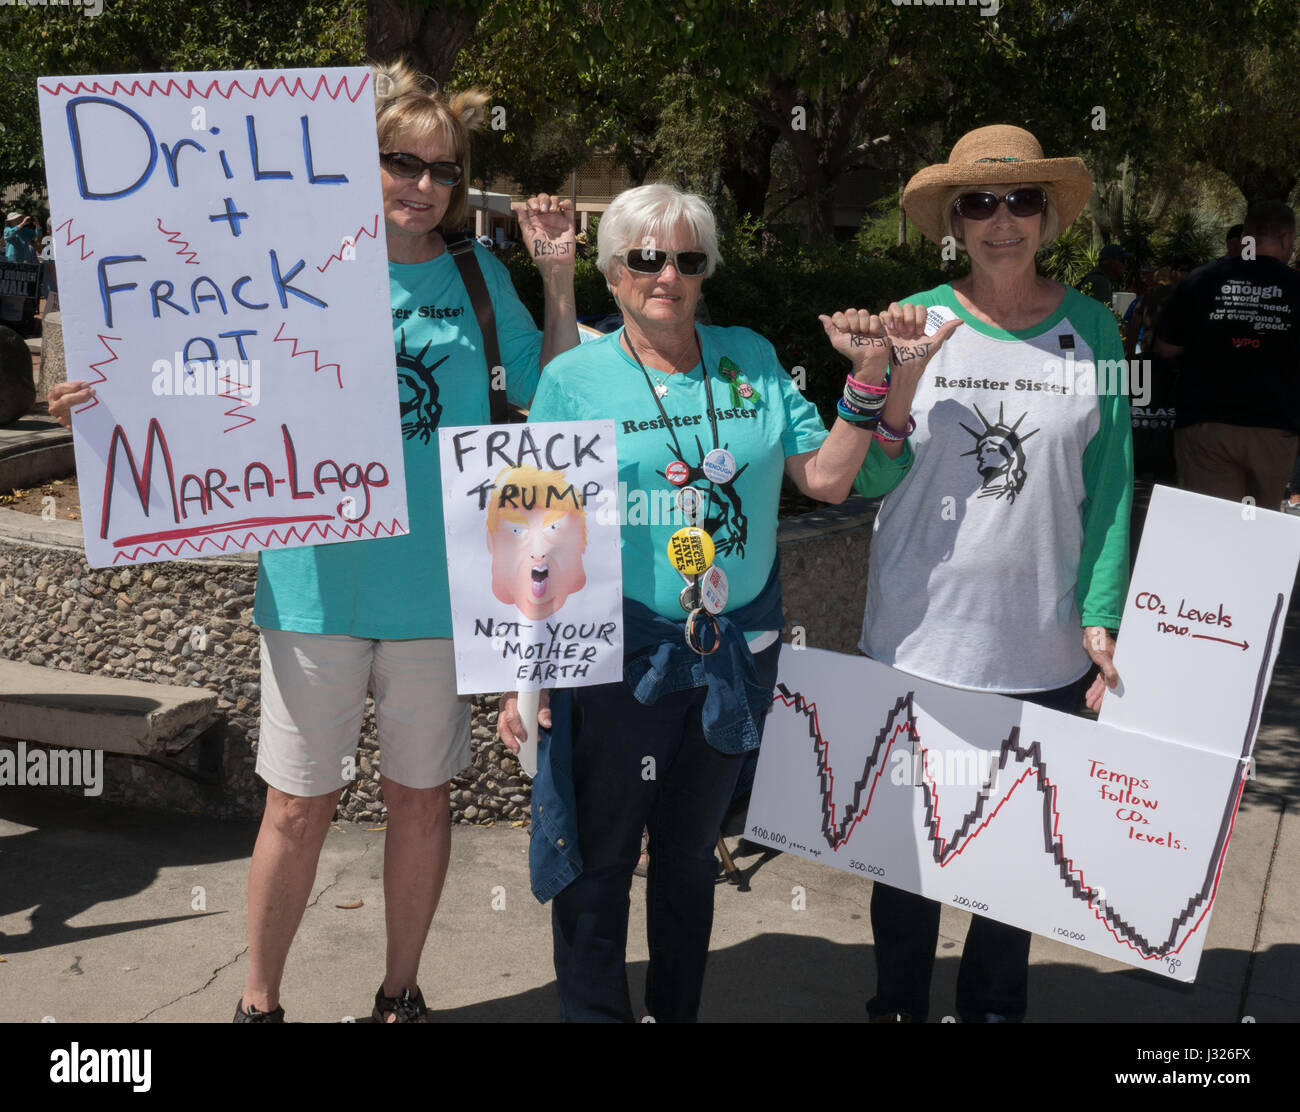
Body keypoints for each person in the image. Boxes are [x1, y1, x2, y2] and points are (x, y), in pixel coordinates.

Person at [50, 59, 580, 1022]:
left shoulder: (476, 274)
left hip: (439, 591)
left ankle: (400, 993)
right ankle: (258, 1003)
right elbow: (190, 364)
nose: (424, 185)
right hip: (312, 590)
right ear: (356, 164)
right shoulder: (281, 261)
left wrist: (556, 282)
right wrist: (107, 398)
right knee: (295, 807)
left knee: (421, 800)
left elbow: (558, 406)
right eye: (401, 162)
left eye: (444, 170)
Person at [495, 183, 960, 1022]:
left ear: (706, 270)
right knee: (598, 864)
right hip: (621, 656)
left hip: (736, 652)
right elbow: (538, 529)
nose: (666, 275)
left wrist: (869, 376)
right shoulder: (573, 378)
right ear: (611, 270)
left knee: (684, 859)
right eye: (645, 258)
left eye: (687, 258)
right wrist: (526, 677)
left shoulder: (748, 354)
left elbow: (825, 479)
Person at [844, 124, 1133, 1023]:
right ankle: (897, 1004)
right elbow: (876, 471)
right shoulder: (915, 319)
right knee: (907, 861)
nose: (1000, 221)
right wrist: (884, 375)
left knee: (1014, 864)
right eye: (979, 203)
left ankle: (993, 1011)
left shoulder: (1095, 331)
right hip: (918, 638)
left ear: (1047, 216)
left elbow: (1114, 484)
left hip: (1040, 649)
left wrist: (1100, 614)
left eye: (1020, 201)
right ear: (955, 221)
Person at [1155, 201, 1300, 510]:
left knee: (1213, 527)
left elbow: (1165, 347)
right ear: (1287, 239)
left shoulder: (1201, 280)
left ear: (1245, 235)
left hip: (1205, 423)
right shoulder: (1296, 288)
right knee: (1261, 525)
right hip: (1274, 427)